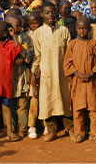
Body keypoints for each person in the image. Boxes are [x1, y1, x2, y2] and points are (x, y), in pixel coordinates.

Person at [28, 9, 71, 142]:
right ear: (42, 15)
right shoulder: (38, 33)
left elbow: (69, 52)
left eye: (53, 12)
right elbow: (37, 55)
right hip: (45, 72)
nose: (50, 15)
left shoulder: (64, 30)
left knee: (66, 99)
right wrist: (34, 73)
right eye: (47, 13)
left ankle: (70, 128)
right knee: (48, 100)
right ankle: (52, 130)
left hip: (62, 72)